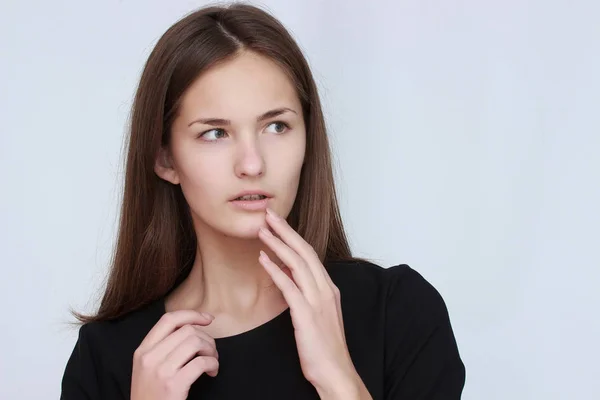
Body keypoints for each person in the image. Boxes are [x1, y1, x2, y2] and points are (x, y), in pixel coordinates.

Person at [60, 3, 466, 399]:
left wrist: (338, 381)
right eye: (215, 133)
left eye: (276, 126)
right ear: (165, 157)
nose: (252, 164)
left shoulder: (397, 313)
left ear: (308, 137)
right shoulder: (107, 358)